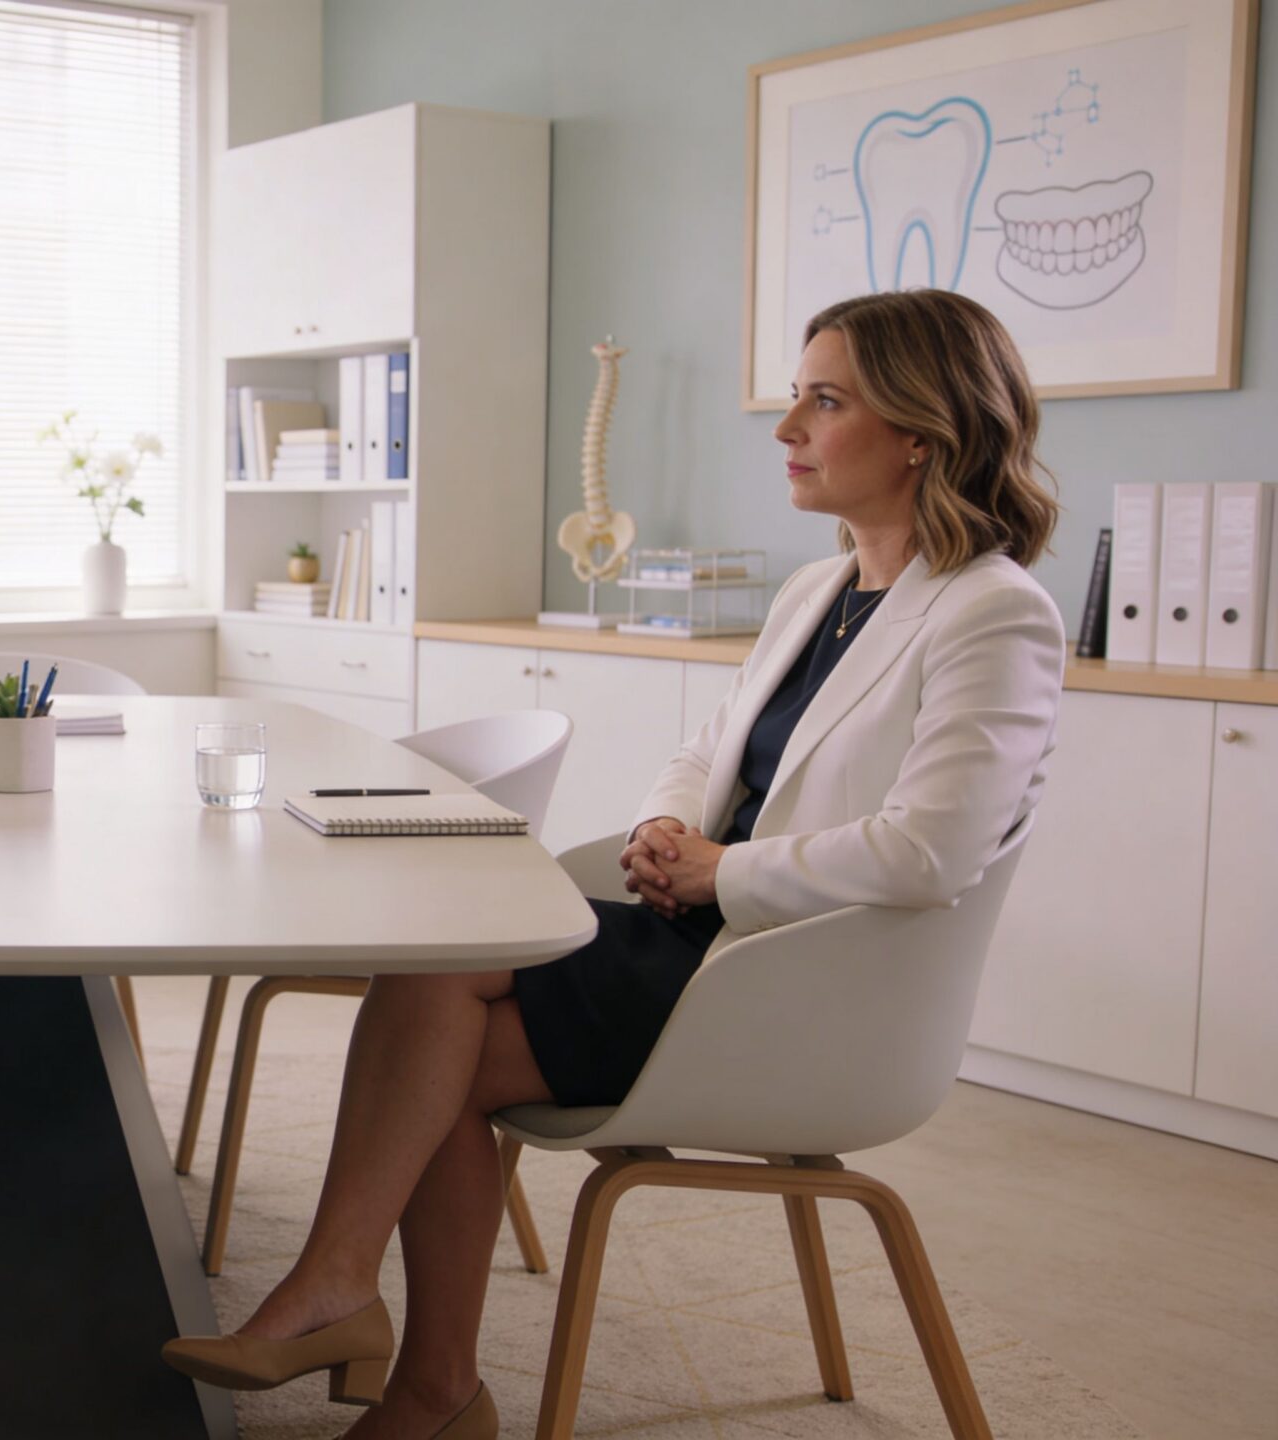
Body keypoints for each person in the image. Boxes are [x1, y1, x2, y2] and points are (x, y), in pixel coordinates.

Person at [162, 287, 1066, 1440]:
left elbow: (931, 851)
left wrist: (716, 871)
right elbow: (709, 751)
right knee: (443, 994)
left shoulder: (993, 614)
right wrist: (662, 829)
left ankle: (384, 1342)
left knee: (439, 1025)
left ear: (921, 434)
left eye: (824, 402)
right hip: (705, 939)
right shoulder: (820, 587)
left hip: (796, 985)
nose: (786, 428)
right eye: (795, 396)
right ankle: (397, 1356)